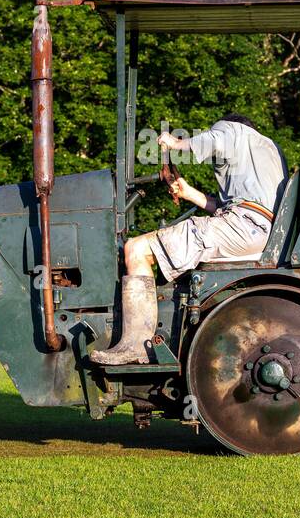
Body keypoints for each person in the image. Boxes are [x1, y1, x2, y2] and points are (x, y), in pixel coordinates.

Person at [91, 114, 288, 365]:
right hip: (255, 231)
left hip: (240, 225)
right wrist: (188, 192)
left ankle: (136, 345)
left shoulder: (235, 132)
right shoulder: (269, 149)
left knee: (136, 248)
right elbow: (234, 206)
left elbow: (215, 140)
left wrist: (175, 142)